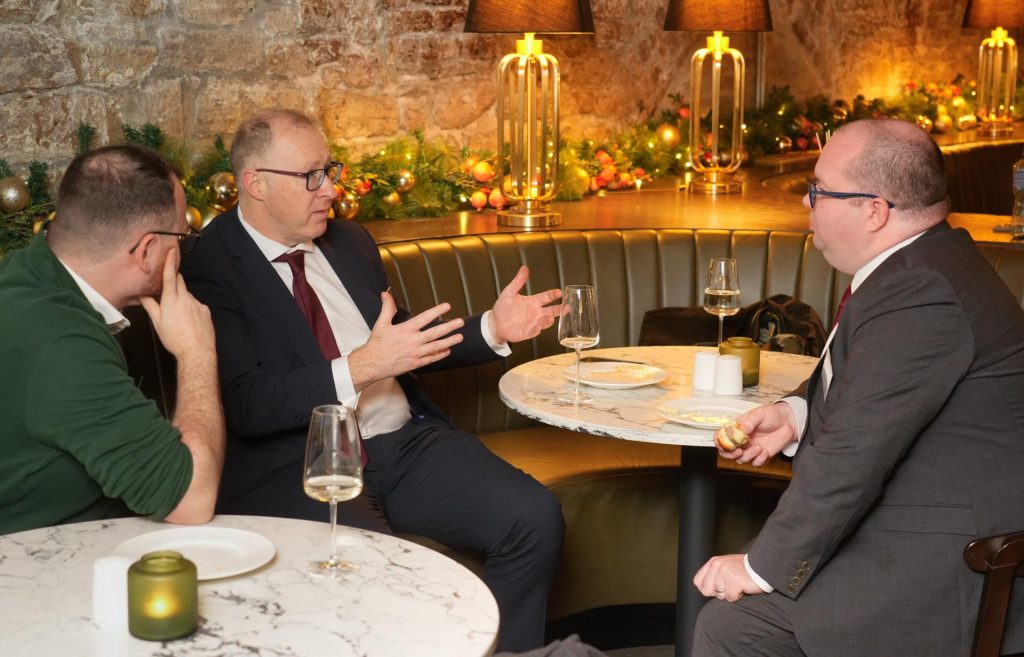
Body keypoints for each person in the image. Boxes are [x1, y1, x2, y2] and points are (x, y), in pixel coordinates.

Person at [180, 108, 565, 652]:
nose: (331, 189)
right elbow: (247, 404)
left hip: (406, 444)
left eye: (330, 170)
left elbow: (402, 343)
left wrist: (492, 328)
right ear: (255, 183)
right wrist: (364, 365)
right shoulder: (209, 266)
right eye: (311, 176)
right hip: (302, 464)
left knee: (534, 517)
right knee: (381, 571)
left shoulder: (348, 241)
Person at [691, 118, 1024, 656]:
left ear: (874, 210)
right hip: (922, 516)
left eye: (819, 188)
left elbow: (853, 453)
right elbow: (871, 382)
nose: (806, 201)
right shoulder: (923, 263)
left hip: (958, 560)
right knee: (733, 614)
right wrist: (794, 416)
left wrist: (760, 568)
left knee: (733, 627)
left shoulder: (921, 291)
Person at [0, 145, 225, 535]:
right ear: (147, 250)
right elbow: (191, 500)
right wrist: (197, 352)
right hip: (41, 560)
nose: (183, 248)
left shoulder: (25, 271)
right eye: (181, 236)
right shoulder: (62, 344)